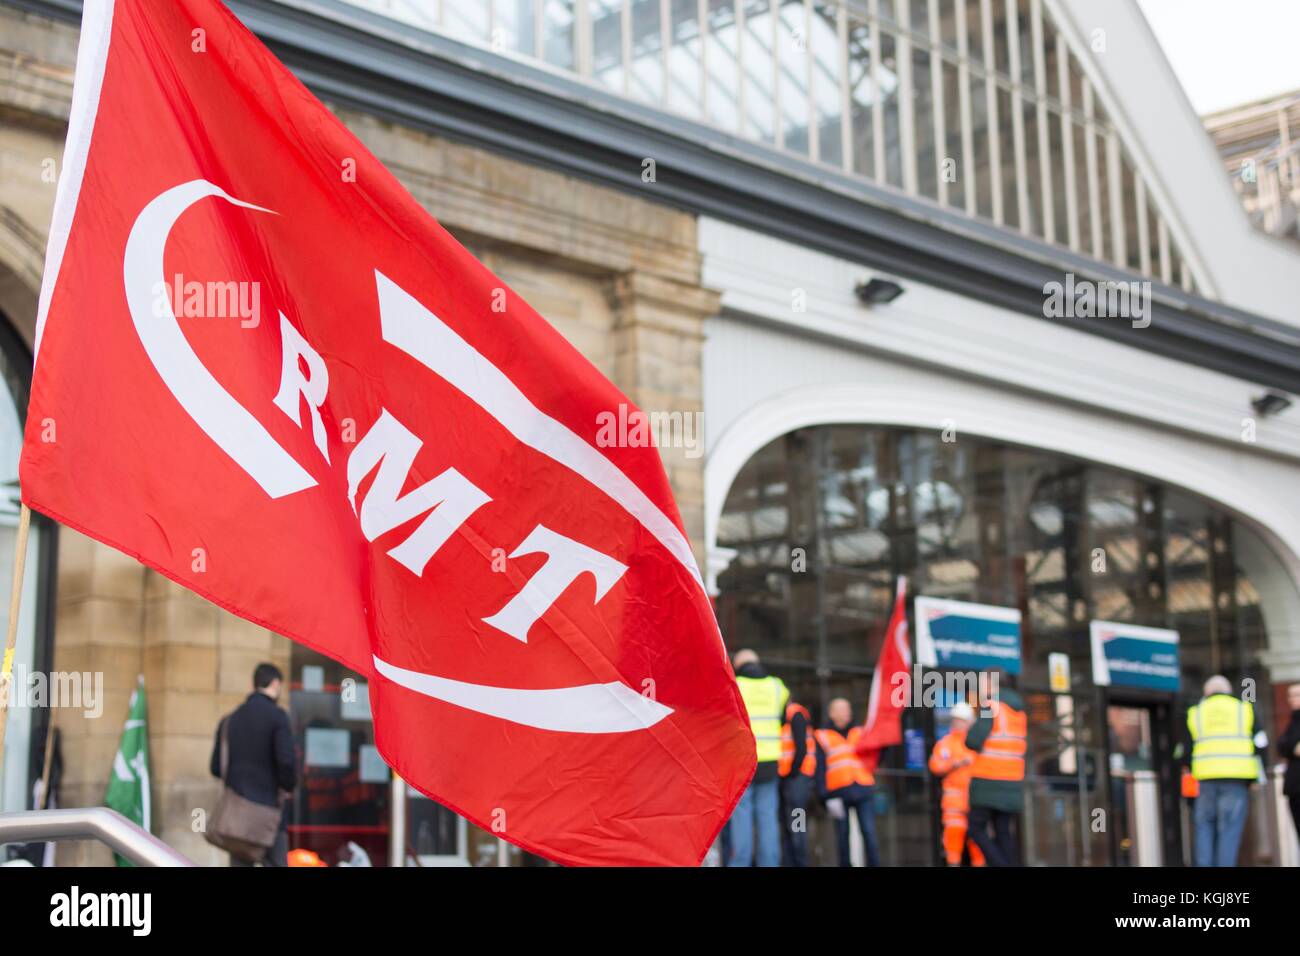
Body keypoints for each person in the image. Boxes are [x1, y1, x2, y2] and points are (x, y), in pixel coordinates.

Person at [209, 662, 296, 866]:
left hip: (237, 818)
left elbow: (215, 767)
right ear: (276, 684)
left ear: (253, 684)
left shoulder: (229, 720)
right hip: (270, 817)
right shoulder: (278, 717)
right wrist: (289, 786)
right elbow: (286, 762)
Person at [1186, 675, 1266, 867]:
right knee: (1229, 830)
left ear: (1207, 692)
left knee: (1204, 827)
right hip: (1236, 779)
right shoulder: (1244, 709)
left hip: (1204, 779)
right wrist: (1257, 777)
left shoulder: (1195, 712)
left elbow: (1185, 749)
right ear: (1228, 691)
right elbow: (1261, 743)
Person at [728, 649, 788, 867]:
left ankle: (740, 864)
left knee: (742, 816)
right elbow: (782, 719)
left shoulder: (735, 685)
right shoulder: (777, 687)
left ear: (738, 665)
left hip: (743, 760)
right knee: (768, 817)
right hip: (770, 761)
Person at [965, 670, 1027, 867]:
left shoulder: (990, 705)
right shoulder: (1018, 710)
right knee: (1003, 831)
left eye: (983, 682)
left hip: (989, 781)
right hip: (1012, 781)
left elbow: (973, 740)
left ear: (992, 684)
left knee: (975, 828)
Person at [814, 697, 880, 867]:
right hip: (837, 792)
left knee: (869, 832)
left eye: (847, 708)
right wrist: (824, 795)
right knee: (842, 835)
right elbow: (819, 767)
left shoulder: (861, 732)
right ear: (831, 713)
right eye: (841, 709)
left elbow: (877, 753)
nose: (846, 712)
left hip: (863, 788)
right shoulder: (822, 736)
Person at [928, 702, 985, 867]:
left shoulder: (976, 743)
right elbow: (935, 765)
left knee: (977, 841)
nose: (957, 723)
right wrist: (955, 763)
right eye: (956, 720)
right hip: (954, 803)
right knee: (953, 837)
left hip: (975, 800)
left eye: (961, 720)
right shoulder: (945, 743)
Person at [778, 697, 816, 866]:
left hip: (797, 778)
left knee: (796, 825)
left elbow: (801, 748)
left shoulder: (795, 714)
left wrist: (792, 772)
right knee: (788, 825)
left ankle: (800, 862)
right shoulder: (783, 716)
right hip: (789, 778)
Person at [1280, 683, 1300, 840]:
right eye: (1290, 695)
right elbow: (1282, 746)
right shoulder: (1293, 721)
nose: (1292, 699)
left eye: (1297, 695)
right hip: (1295, 787)